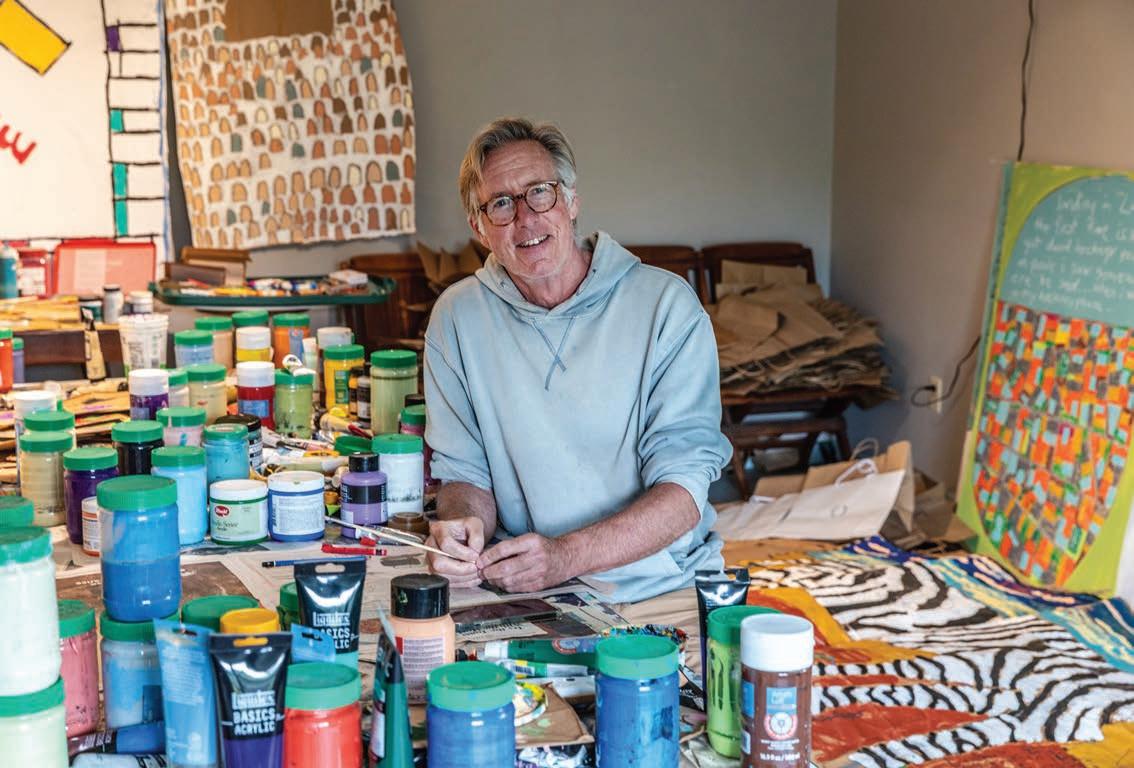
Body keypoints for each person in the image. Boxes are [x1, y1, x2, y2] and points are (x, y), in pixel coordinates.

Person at [422, 117, 731, 602]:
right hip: (525, 587)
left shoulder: (666, 306)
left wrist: (567, 556)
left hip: (657, 583)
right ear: (479, 228)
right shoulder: (457, 318)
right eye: (500, 203)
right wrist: (462, 528)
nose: (525, 218)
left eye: (539, 193)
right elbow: (464, 473)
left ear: (570, 202)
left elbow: (683, 491)